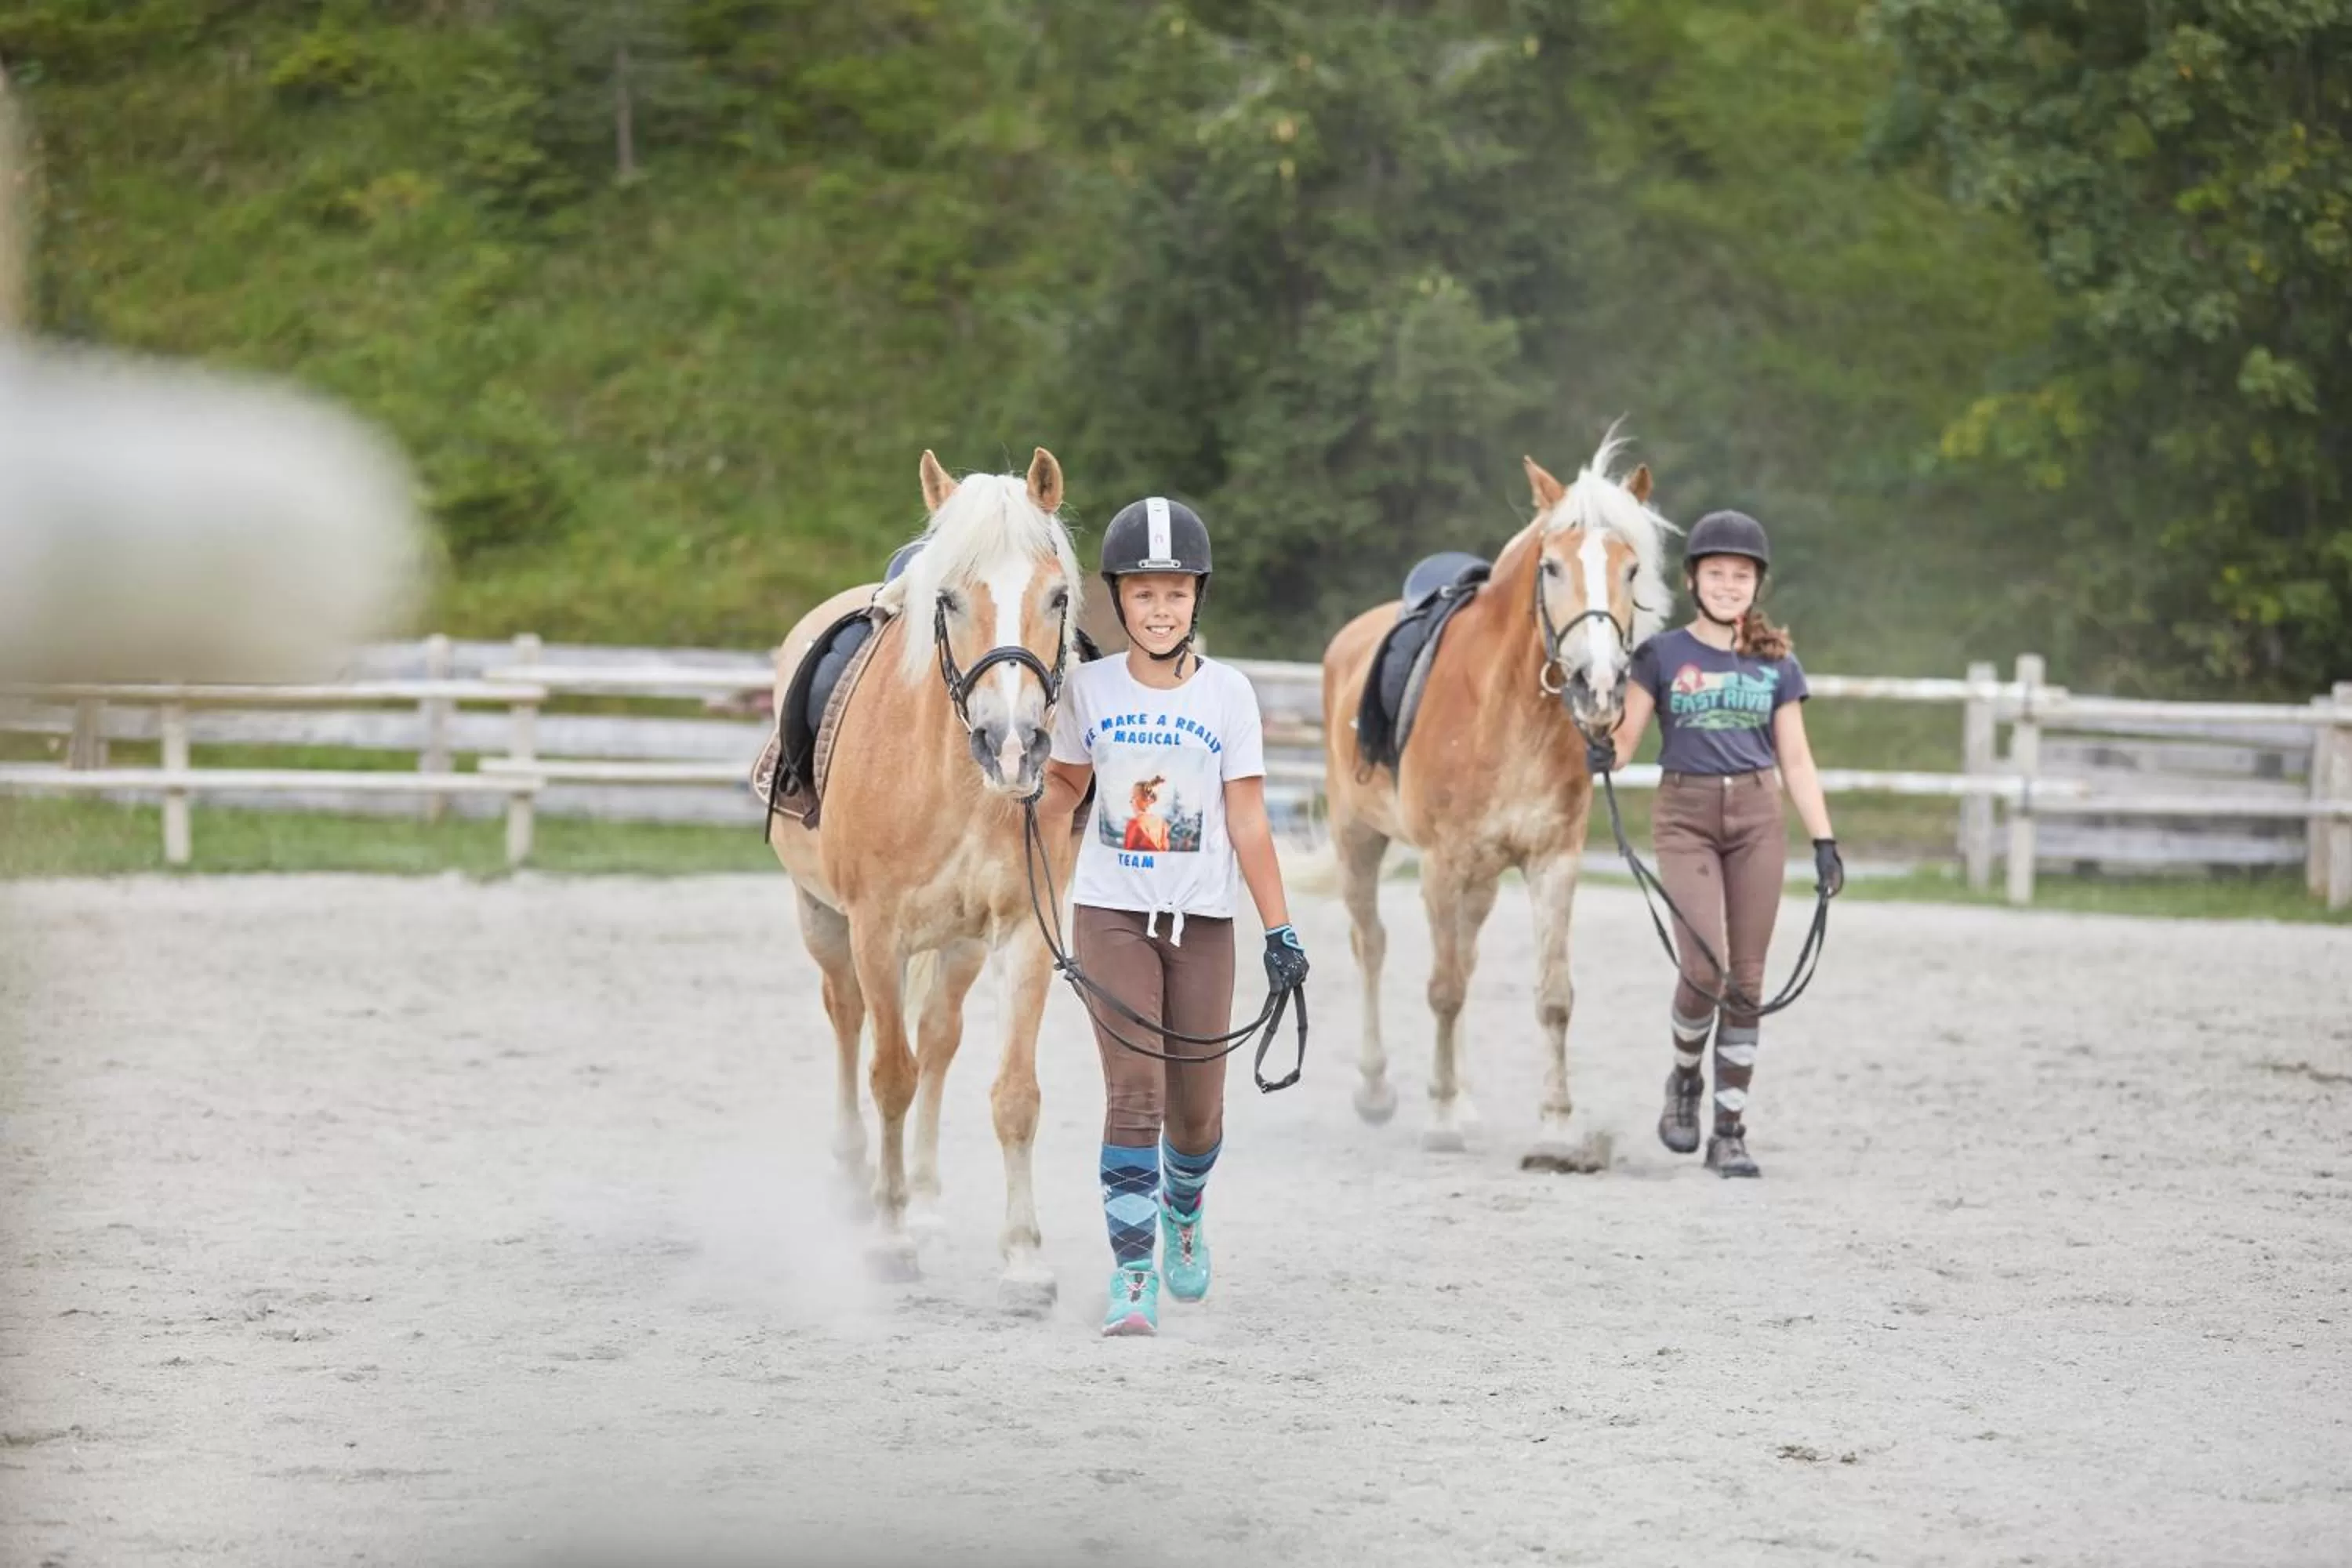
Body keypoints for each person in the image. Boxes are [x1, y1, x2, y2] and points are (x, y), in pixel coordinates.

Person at [1039, 495, 1309, 1335]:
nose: (1161, 609)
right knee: (1136, 1093)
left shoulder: (1229, 694)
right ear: (1118, 598)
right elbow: (1060, 796)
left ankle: (1183, 1210)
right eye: (1145, 593)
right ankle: (1130, 1274)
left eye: (1176, 592)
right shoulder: (1085, 689)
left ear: (1199, 597)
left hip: (1203, 923)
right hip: (1111, 914)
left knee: (1197, 1116)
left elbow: (1250, 819)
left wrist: (1280, 929)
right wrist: (1028, 867)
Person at [1591, 509, 1843, 1178]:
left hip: (1759, 816)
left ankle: (1729, 1131)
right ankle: (1683, 1080)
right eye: (1717, 573)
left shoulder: (1776, 662)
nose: (1729, 585)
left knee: (1750, 980)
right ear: (1694, 579)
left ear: (1756, 584)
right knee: (1705, 966)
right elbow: (1621, 748)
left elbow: (1797, 761)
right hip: (1687, 815)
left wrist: (1824, 840)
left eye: (1741, 575)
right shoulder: (1661, 656)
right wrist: (1599, 740)